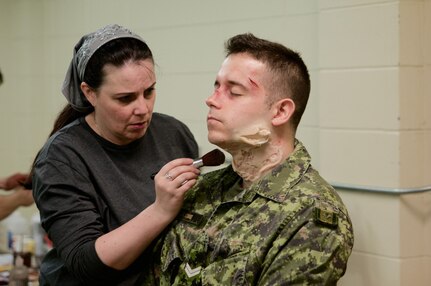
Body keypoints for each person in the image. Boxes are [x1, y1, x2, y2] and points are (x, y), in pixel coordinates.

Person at [141, 33, 354, 285]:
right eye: (216, 87)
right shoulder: (204, 189)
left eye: (234, 92)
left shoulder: (311, 214)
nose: (211, 100)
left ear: (281, 111)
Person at [30, 24, 200, 285]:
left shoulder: (174, 133)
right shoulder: (62, 158)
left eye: (149, 91)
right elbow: (85, 263)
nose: (142, 109)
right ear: (90, 93)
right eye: (125, 99)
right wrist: (160, 210)